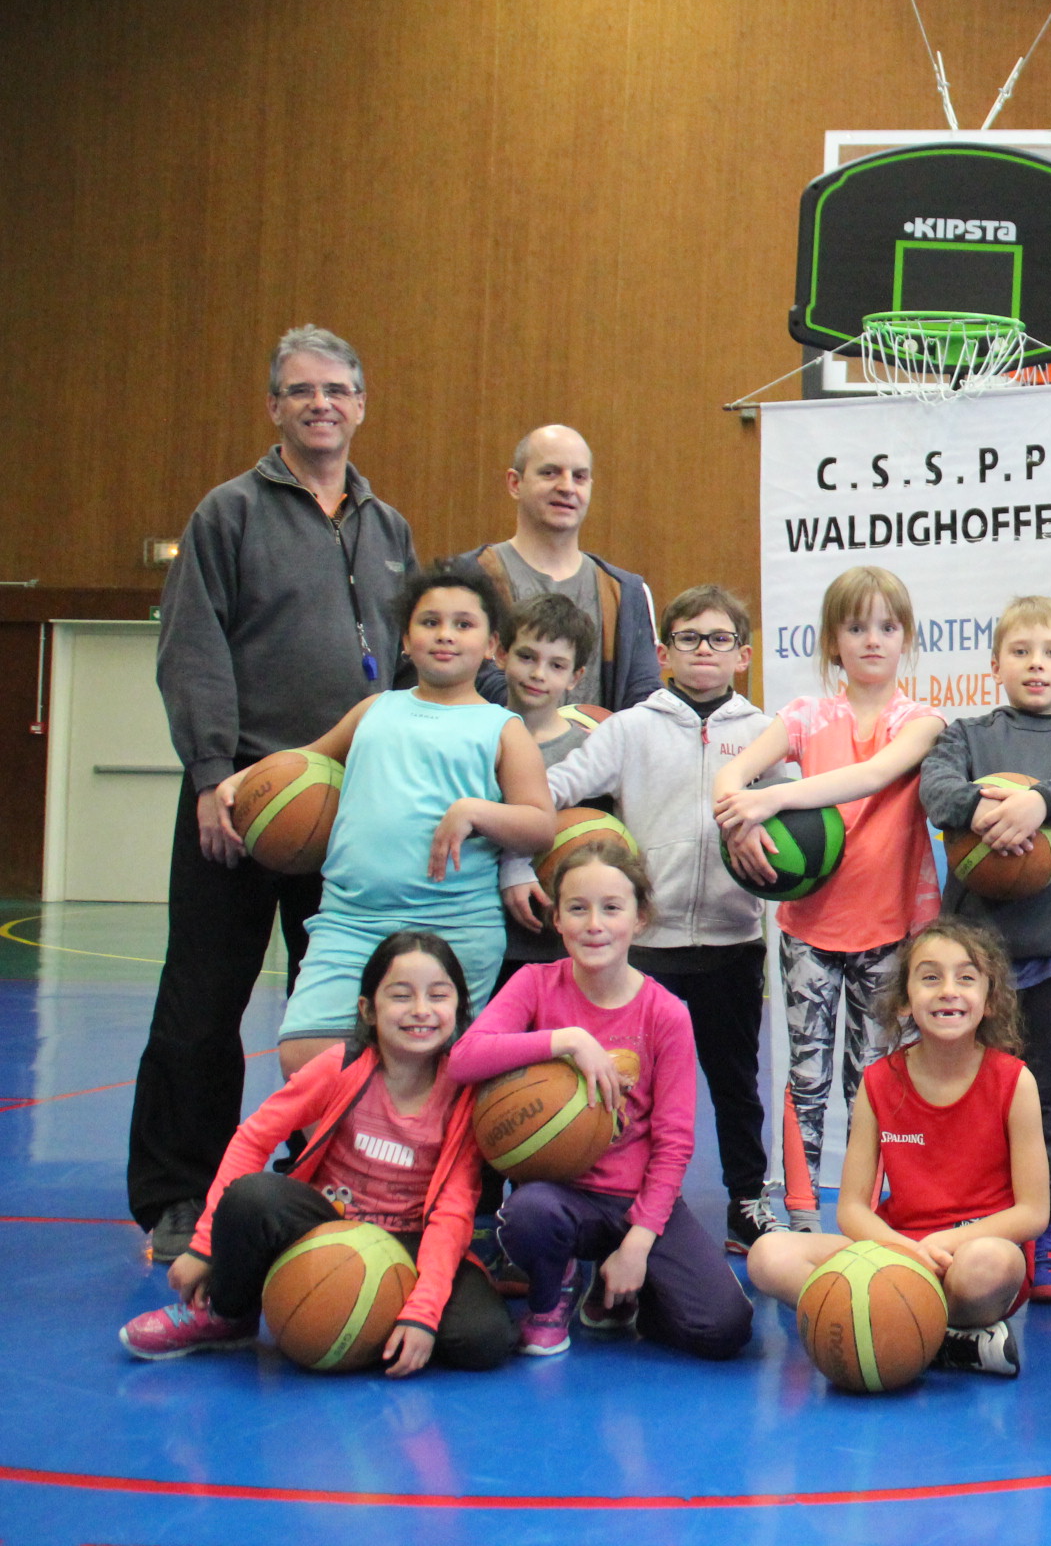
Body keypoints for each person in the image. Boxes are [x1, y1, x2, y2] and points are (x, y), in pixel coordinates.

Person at [132, 324, 418, 1262]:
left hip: (346, 812)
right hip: (244, 803)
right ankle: (179, 1194)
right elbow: (193, 650)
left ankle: (324, 1174)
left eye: (337, 389)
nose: (320, 404)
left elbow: (416, 662)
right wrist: (213, 772)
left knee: (334, 1008)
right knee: (202, 1004)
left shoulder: (389, 528)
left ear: (362, 404)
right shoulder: (229, 513)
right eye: (301, 391)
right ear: (275, 408)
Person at [116, 931, 514, 1373]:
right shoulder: (340, 1065)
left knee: (485, 1339)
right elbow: (254, 1138)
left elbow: (454, 1209)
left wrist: (423, 1312)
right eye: (401, 996)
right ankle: (227, 1314)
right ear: (368, 1009)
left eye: (438, 996)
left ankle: (367, 1316)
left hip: (412, 1240)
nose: (421, 1010)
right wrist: (205, 1246)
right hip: (325, 1225)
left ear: (459, 1010)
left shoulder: (465, 1096)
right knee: (252, 1197)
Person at [212, 569, 555, 1078]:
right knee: (306, 1059)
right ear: (404, 639)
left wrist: (475, 810)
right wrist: (237, 782)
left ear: (493, 647)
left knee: (433, 1074)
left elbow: (539, 825)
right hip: (351, 918)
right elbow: (301, 763)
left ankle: (415, 1160)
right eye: (430, 621)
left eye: (464, 624)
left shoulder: (502, 727)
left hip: (453, 923)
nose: (445, 634)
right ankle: (347, 1159)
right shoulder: (374, 710)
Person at [530, 585, 787, 1250]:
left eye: (719, 639)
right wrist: (506, 802)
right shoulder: (630, 729)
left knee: (736, 1082)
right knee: (630, 1087)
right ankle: (618, 1196)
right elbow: (556, 789)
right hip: (645, 951)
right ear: (665, 652)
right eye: (689, 638)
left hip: (733, 940)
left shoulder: (764, 734)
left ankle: (747, 1199)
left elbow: (797, 812)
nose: (704, 650)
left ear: (743, 654)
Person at [452, 840, 754, 1361]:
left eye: (612, 908)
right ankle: (552, 1292)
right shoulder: (534, 984)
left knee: (722, 1329)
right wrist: (565, 1040)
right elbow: (463, 1059)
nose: (595, 923)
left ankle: (624, 1289)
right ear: (558, 921)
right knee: (527, 1214)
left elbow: (675, 1141)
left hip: (638, 1201)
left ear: (640, 919)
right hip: (559, 1195)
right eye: (577, 908)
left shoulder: (667, 1013)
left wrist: (638, 1245)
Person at [713, 565, 943, 1229]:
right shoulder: (805, 716)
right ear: (830, 641)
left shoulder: (921, 722)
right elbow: (732, 774)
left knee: (872, 1079)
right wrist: (735, 815)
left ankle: (867, 1209)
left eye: (887, 626)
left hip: (892, 931)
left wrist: (773, 796)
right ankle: (801, 1208)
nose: (872, 639)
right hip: (810, 930)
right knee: (806, 1075)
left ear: (907, 639)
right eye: (855, 626)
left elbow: (871, 776)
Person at [917, 596, 1051, 1303]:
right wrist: (984, 809)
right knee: (970, 1094)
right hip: (975, 960)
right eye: (1022, 651)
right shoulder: (966, 736)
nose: (1037, 664)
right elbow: (935, 790)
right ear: (996, 663)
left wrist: (1039, 804)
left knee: (1050, 1092)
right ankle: (968, 1217)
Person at [745, 919, 1048, 1379]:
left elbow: (1031, 1213)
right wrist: (903, 1249)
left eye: (966, 978)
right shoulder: (879, 1082)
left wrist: (942, 1242)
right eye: (930, 977)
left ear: (989, 1001)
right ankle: (941, 1340)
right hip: (895, 1252)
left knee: (989, 1263)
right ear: (905, 1001)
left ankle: (893, 1328)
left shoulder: (1014, 1081)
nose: (948, 990)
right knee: (768, 1256)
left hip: (971, 1254)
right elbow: (850, 1210)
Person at [453, 425, 659, 712]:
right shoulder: (465, 578)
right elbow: (460, 677)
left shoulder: (625, 592)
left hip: (599, 754)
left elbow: (644, 695)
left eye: (579, 476)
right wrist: (546, 735)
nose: (566, 487)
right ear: (515, 483)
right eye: (549, 473)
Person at [489, 593, 601, 978]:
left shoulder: (589, 750)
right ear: (500, 653)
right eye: (526, 657)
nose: (539, 674)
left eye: (556, 665)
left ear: (575, 678)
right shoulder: (472, 737)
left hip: (562, 947)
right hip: (483, 941)